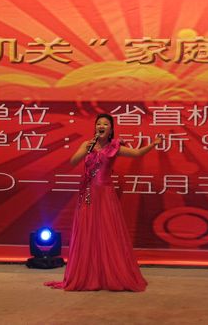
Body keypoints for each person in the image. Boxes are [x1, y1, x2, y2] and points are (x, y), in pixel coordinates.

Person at [45, 113, 161, 291]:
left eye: (105, 124)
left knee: (107, 232)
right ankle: (89, 275)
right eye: (98, 123)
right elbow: (73, 161)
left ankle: (110, 274)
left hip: (105, 194)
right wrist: (86, 149)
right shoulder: (87, 145)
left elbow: (137, 154)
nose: (101, 126)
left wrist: (153, 144)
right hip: (88, 194)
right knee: (88, 232)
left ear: (111, 129)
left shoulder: (115, 147)